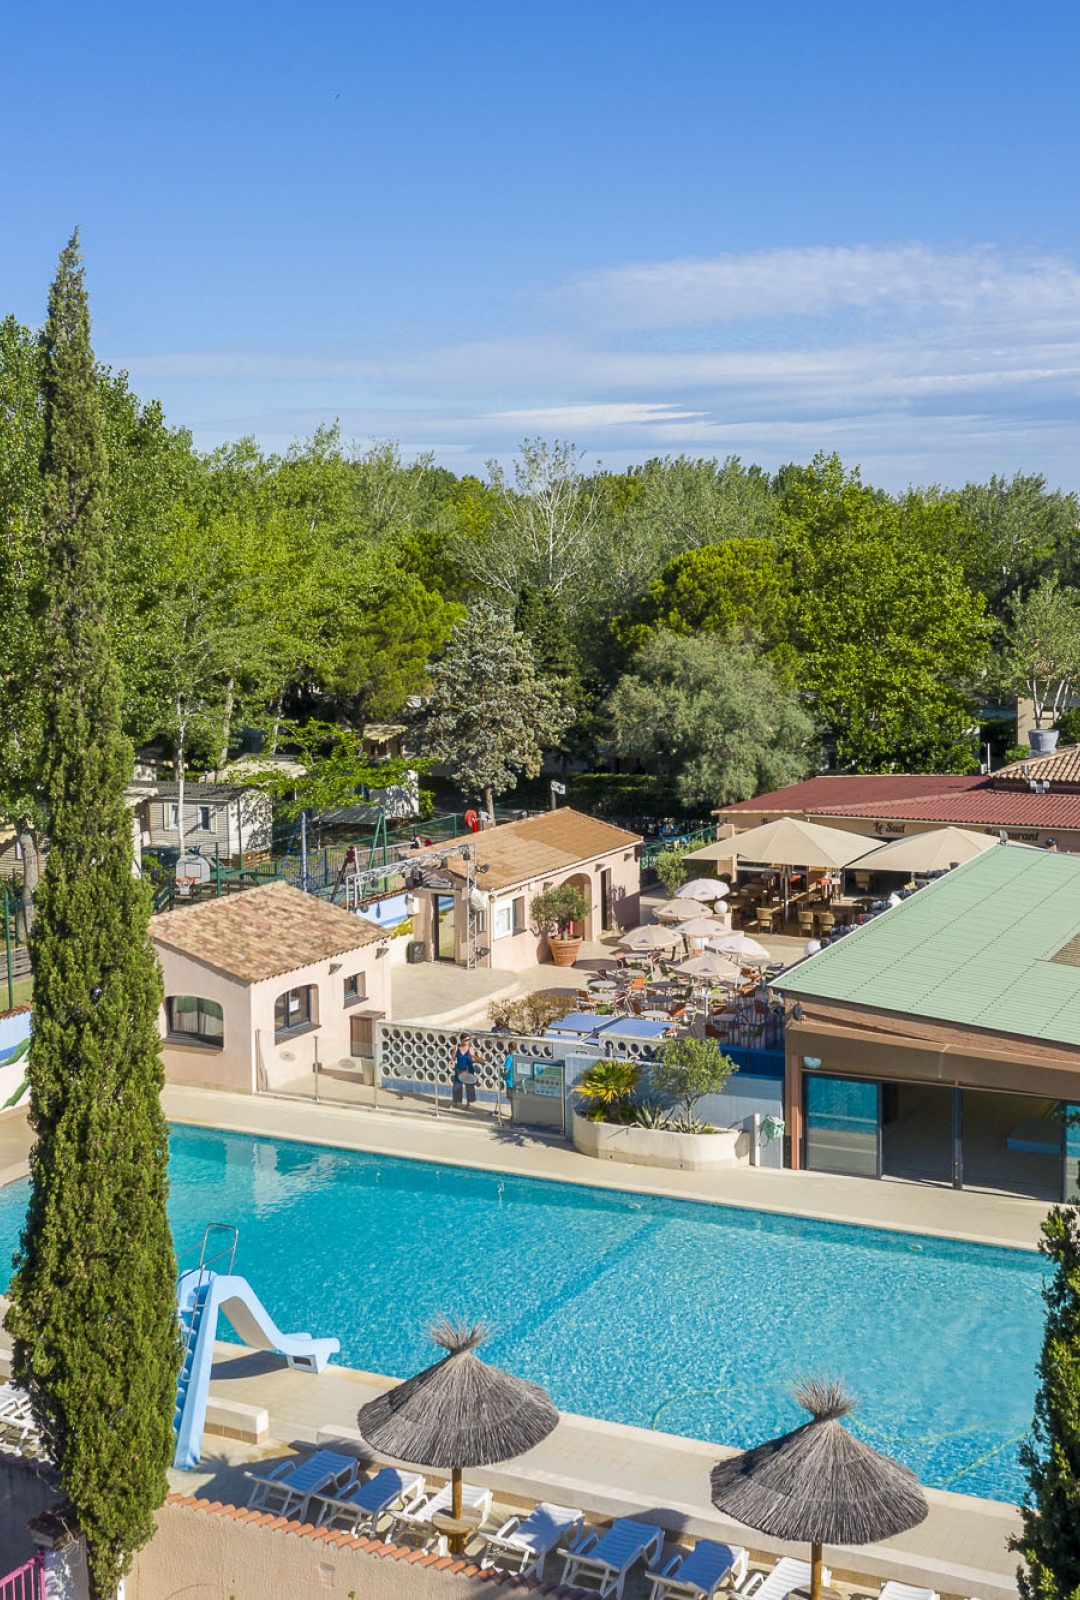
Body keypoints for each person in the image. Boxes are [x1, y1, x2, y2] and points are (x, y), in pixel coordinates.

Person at [452, 1032, 480, 1108]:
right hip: (459, 1070)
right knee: (457, 1086)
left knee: (469, 1087)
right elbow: (453, 1058)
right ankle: (457, 1102)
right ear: (461, 1040)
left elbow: (473, 1058)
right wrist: (452, 1063)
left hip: (468, 1070)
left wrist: (476, 1059)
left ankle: (469, 1103)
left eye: (468, 1040)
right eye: (466, 1040)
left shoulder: (470, 1048)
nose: (467, 1041)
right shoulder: (457, 1048)